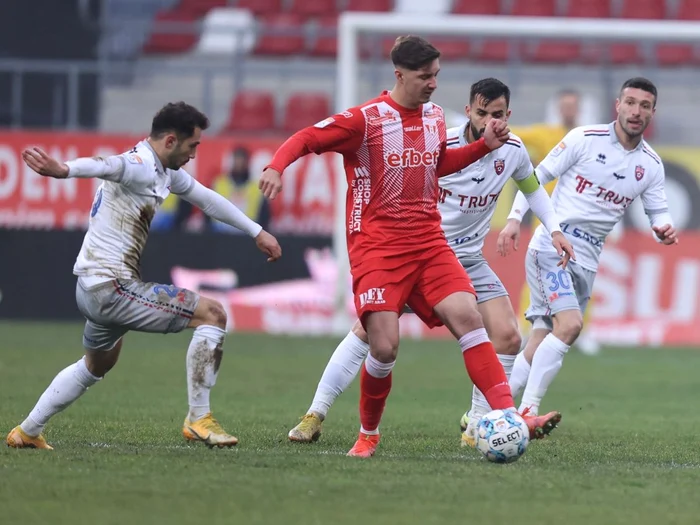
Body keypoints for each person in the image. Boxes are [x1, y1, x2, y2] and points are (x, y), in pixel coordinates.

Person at [260, 36, 564, 458]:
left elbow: (439, 165)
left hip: (430, 242)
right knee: (382, 346)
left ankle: (504, 417)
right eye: (426, 76)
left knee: (470, 321)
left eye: (437, 75)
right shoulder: (365, 120)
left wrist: (481, 148)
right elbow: (308, 137)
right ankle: (366, 433)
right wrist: (276, 166)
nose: (434, 84)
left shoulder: (436, 117)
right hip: (379, 248)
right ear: (400, 75)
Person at [6, 102, 281, 450]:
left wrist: (256, 231)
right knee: (213, 314)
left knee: (97, 364)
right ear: (170, 141)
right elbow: (107, 165)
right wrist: (63, 169)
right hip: (111, 288)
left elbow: (208, 200)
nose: (195, 154)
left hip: (93, 287)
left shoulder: (164, 171)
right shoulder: (138, 164)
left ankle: (27, 431)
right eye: (192, 146)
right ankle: (199, 418)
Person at [499, 77, 678, 417]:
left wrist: (663, 229)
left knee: (540, 339)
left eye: (644, 105)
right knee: (569, 326)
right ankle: (525, 413)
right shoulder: (584, 138)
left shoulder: (651, 165)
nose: (636, 111)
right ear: (618, 105)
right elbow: (536, 177)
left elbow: (659, 213)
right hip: (554, 243)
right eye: (630, 102)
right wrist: (513, 218)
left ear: (653, 112)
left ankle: (490, 411)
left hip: (589, 257)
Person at [512, 89, 601, 356]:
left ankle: (583, 331)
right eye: (564, 105)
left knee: (584, 273)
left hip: (578, 216)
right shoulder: (544, 134)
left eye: (572, 105)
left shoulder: (588, 138)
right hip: (547, 215)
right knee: (537, 273)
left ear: (579, 108)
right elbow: (514, 134)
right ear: (558, 108)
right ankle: (526, 325)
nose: (568, 110)